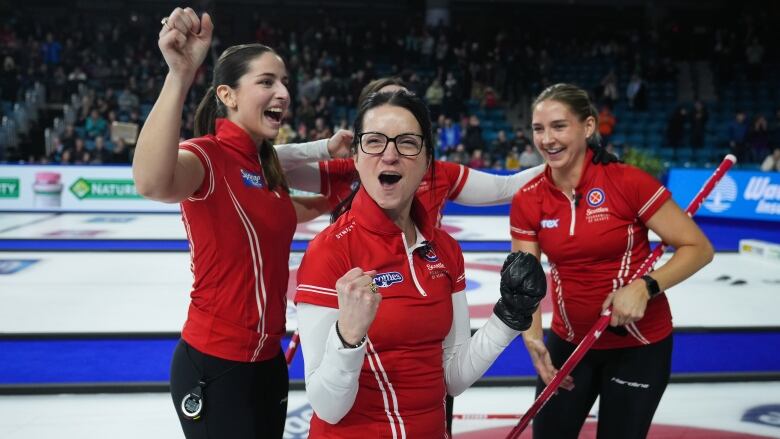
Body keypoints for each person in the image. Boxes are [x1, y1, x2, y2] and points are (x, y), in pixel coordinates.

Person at [294, 90, 547, 437]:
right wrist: (348, 338)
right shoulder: (329, 252)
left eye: (407, 143)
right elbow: (328, 407)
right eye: (374, 142)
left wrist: (508, 317)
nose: (390, 155)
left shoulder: (445, 250)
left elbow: (452, 379)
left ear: (428, 160)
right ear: (355, 157)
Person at [132, 8, 329, 438]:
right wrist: (180, 74)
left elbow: (287, 215)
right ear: (228, 94)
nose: (283, 93)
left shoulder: (267, 169)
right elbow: (150, 182)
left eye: (284, 83)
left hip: (268, 365)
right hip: (214, 367)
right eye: (266, 82)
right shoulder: (206, 157)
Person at [510, 83, 714, 438]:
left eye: (559, 126)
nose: (547, 139)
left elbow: (698, 248)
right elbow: (524, 281)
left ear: (588, 127)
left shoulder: (626, 182)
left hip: (638, 347)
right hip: (569, 341)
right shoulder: (529, 199)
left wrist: (645, 286)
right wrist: (533, 338)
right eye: (538, 128)